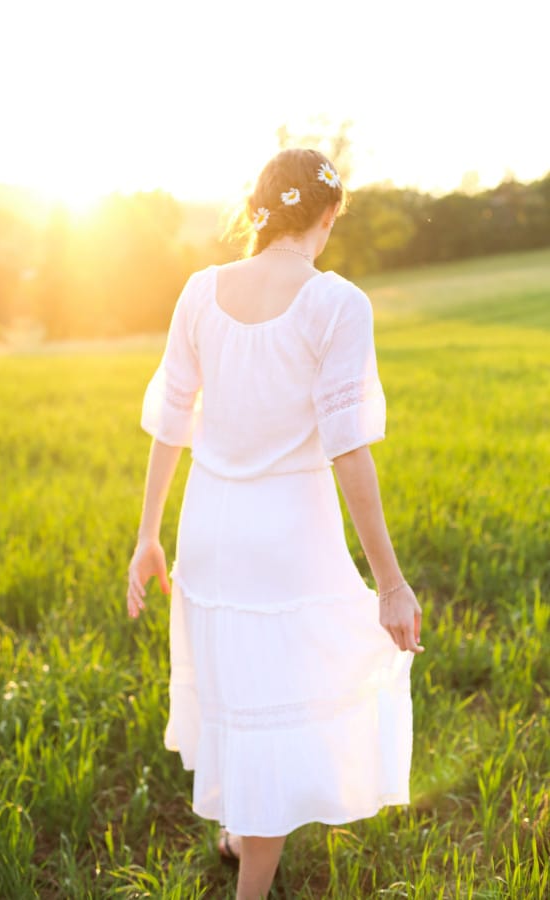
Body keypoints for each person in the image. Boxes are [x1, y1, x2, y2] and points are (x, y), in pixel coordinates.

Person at [127, 148, 424, 900]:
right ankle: (251, 885)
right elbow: (348, 449)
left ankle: (232, 830)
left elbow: (171, 422)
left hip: (208, 526)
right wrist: (390, 582)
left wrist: (148, 536)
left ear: (259, 211)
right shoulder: (336, 303)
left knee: (235, 687)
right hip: (288, 536)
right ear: (326, 220)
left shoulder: (199, 290)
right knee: (284, 699)